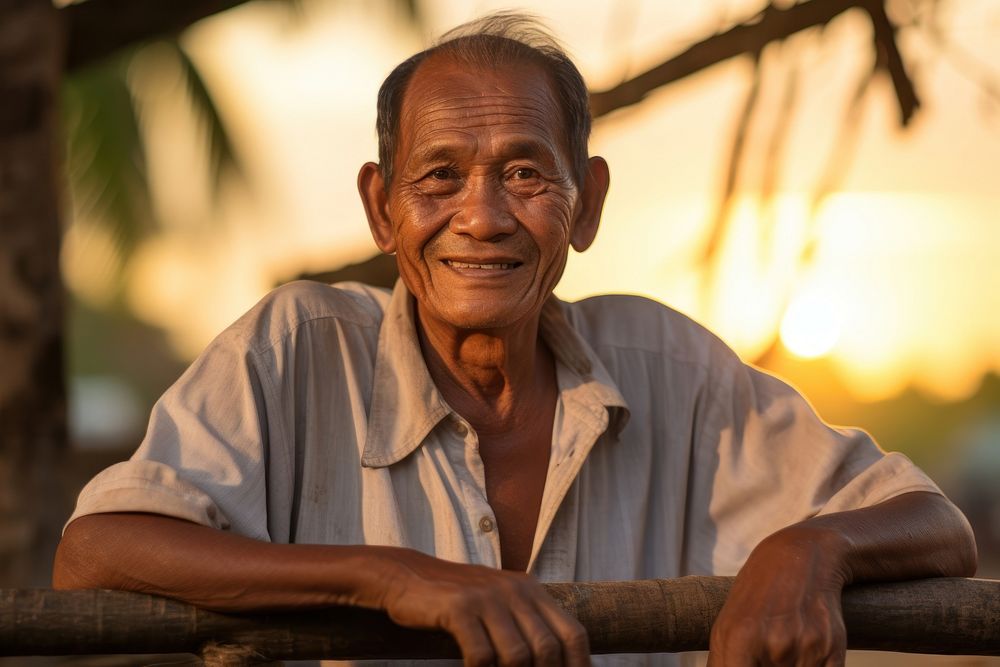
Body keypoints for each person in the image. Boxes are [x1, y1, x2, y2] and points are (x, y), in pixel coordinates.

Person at [53, 12, 976, 667]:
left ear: (590, 204)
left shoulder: (672, 368)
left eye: (527, 173)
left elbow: (935, 523)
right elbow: (96, 551)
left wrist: (809, 550)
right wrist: (391, 577)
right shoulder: (297, 349)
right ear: (382, 207)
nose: (483, 216)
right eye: (440, 176)